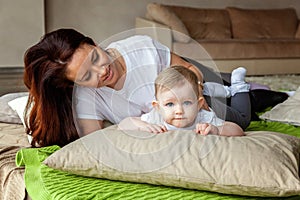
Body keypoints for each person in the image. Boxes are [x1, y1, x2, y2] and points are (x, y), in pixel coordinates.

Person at [23, 28, 286, 147]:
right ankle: (243, 88)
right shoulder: (85, 101)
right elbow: (96, 142)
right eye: (86, 76)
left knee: (234, 110)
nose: (102, 71)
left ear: (94, 43)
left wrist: (196, 92)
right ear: (74, 85)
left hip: (185, 76)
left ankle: (244, 87)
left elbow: (189, 71)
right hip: (174, 107)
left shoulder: (139, 48)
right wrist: (130, 125)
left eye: (95, 57)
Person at [118, 65, 245, 136]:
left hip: (206, 94)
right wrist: (144, 127)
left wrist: (216, 130)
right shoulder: (156, 118)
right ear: (157, 107)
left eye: (187, 103)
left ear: (199, 104)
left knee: (243, 117)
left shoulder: (203, 117)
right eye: (169, 104)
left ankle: (239, 87)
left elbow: (237, 130)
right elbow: (124, 124)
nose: (179, 111)